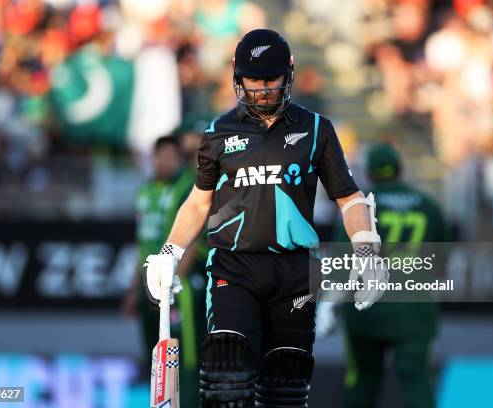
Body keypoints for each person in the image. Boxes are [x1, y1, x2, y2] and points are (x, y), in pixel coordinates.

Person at [143, 29, 389, 407]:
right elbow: (198, 202)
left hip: (295, 272)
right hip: (234, 268)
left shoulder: (316, 128)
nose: (261, 89)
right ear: (237, 77)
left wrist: (367, 250)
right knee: (227, 374)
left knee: (284, 387)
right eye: (252, 80)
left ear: (289, 72)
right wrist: (170, 251)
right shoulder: (218, 132)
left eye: (270, 79)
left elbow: (349, 197)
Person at [337, 143, 448, 408]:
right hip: (413, 309)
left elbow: (341, 261)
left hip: (366, 308)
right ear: (400, 169)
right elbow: (443, 261)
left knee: (362, 381)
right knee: (417, 380)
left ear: (369, 172)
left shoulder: (359, 206)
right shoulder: (429, 206)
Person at [121, 135, 206, 407]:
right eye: (163, 156)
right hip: (149, 283)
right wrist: (135, 288)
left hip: (175, 285)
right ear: (154, 157)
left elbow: (193, 236)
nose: (167, 162)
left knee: (185, 355)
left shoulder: (186, 188)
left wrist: (172, 280)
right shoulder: (145, 192)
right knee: (154, 355)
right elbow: (141, 243)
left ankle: (190, 401)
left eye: (173, 157)